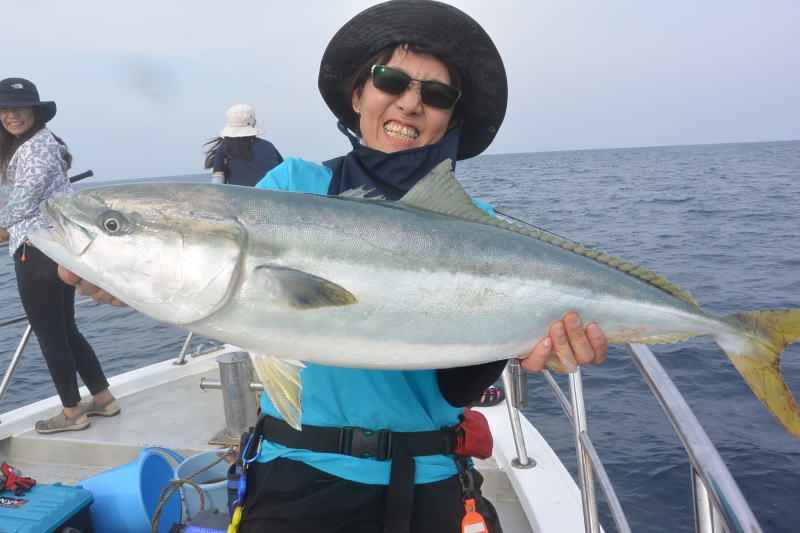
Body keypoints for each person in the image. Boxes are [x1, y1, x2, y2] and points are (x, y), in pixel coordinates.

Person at [59, 2, 608, 530]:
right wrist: (123, 276)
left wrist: (525, 341)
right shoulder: (292, 189)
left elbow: (458, 388)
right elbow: (214, 287)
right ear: (359, 93)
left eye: (435, 95)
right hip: (297, 475)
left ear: (450, 118)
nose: (409, 105)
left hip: (430, 479)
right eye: (391, 82)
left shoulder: (479, 226)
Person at [0, 77, 119, 434]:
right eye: (5, 110)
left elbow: (22, 201)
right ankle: (103, 398)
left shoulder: (36, 147)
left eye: (19, 108)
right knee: (65, 329)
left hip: (37, 251)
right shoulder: (40, 144)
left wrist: (2, 228)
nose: (12, 116)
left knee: (50, 333)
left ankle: (71, 413)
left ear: (35, 111)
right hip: (54, 245)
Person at [204, 104, 284, 186]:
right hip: (271, 193)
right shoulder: (268, 146)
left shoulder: (224, 148)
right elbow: (282, 171)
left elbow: (217, 182)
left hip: (241, 196)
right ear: (253, 123)